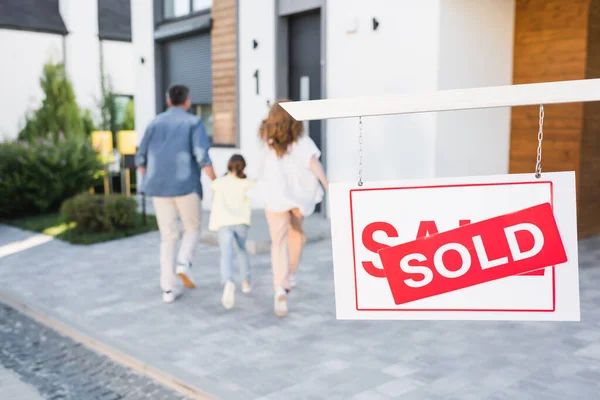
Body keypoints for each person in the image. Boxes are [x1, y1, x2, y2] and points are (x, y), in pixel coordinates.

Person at [135, 84, 216, 304]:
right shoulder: (193, 122)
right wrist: (216, 182)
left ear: (168, 100)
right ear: (188, 101)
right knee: (192, 227)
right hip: (186, 187)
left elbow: (140, 158)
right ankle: (184, 263)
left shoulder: (154, 123)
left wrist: (150, 178)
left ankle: (169, 289)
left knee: (167, 237)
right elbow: (203, 157)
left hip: (158, 189)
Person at [257, 100, 329, 317]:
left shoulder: (267, 141)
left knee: (278, 243)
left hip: (276, 198)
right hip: (298, 198)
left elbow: (260, 167)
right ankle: (290, 276)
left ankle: (280, 286)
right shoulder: (302, 141)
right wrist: (328, 185)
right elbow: (314, 164)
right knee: (297, 237)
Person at [208, 154, 255, 310]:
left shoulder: (219, 183)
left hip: (224, 222)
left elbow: (214, 202)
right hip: (240, 222)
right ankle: (246, 282)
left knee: (225, 253)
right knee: (242, 251)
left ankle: (228, 281)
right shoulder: (246, 183)